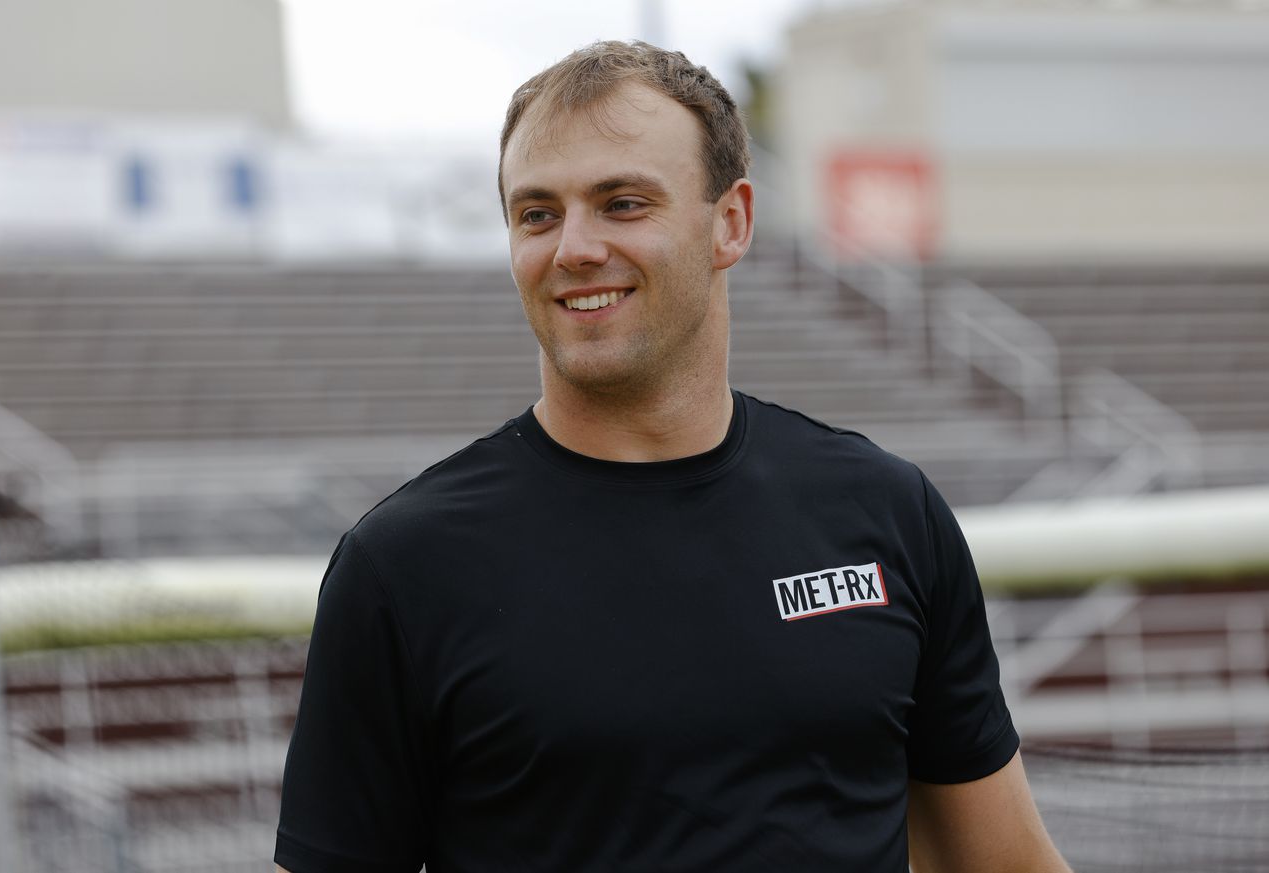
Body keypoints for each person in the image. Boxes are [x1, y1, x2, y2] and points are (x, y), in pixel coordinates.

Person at [275, 40, 1070, 873]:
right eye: (537, 213)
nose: (573, 247)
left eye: (621, 203)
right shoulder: (403, 565)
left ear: (730, 222)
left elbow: (1003, 861)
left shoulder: (887, 510)